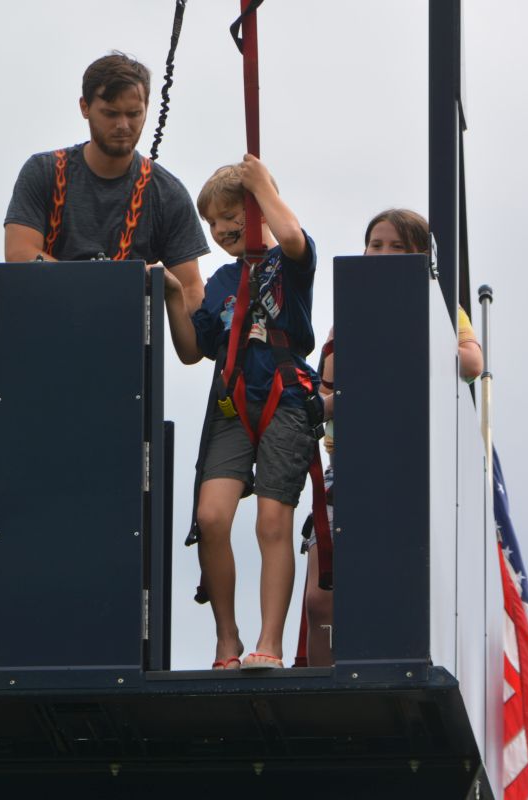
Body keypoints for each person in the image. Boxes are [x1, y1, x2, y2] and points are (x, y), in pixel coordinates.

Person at [301, 207, 483, 667]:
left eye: (397, 247)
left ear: (420, 257)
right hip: (347, 468)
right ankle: (322, 685)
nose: (382, 254)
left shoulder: (438, 309)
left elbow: (471, 362)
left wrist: (411, 340)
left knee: (390, 585)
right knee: (321, 599)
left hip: (403, 466)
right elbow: (329, 392)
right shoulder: (348, 314)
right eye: (375, 245)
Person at [164, 155, 322, 671]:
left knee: (272, 521)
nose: (221, 229)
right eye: (212, 222)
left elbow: (291, 236)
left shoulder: (288, 264)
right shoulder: (222, 282)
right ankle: (226, 636)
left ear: (257, 211)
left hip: (284, 398)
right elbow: (193, 349)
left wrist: (262, 187)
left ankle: (269, 642)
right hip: (232, 403)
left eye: (232, 215)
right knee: (211, 517)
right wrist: (173, 297)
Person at [4, 51, 210, 351]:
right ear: (84, 107)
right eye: (111, 114)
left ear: (147, 109)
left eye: (134, 113)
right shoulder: (44, 171)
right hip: (41, 340)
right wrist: (107, 281)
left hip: (123, 353)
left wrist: (174, 293)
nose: (123, 125)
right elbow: (19, 254)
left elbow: (190, 293)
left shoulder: (167, 193)